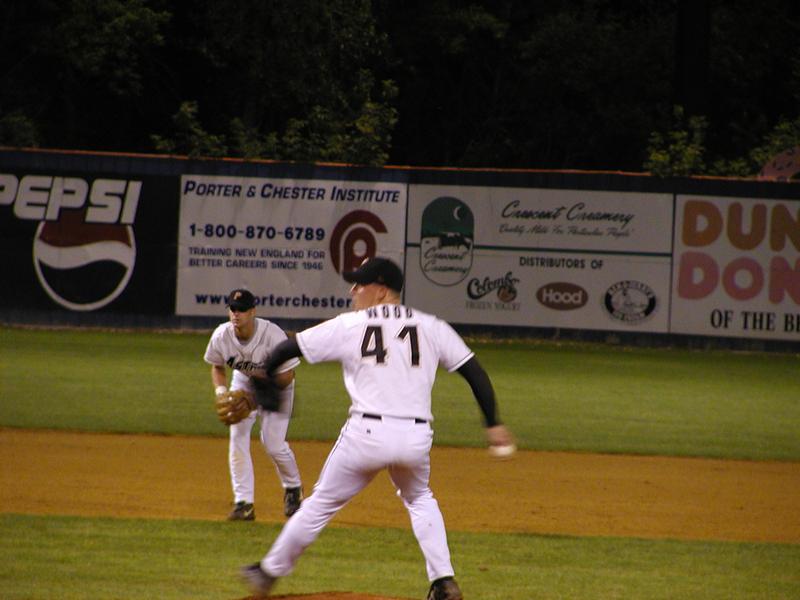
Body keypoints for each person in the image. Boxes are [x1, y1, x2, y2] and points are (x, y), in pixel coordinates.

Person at [240, 257, 514, 600]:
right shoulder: (432, 326)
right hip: (415, 438)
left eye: (360, 284)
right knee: (420, 498)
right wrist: (493, 423)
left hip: (365, 436)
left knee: (320, 503)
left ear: (382, 290)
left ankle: (267, 573)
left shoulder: (351, 325)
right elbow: (474, 372)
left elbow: (288, 347)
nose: (352, 290)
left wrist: (266, 372)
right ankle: (444, 582)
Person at [204, 288, 303, 521]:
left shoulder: (272, 335)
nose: (236, 314)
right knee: (237, 437)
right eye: (232, 309)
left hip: (277, 384)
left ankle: (293, 488)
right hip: (243, 381)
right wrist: (221, 392)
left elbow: (287, 375)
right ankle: (244, 503)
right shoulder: (221, 335)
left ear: (252, 311)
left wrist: (254, 400)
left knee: (273, 443)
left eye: (241, 309)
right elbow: (217, 366)